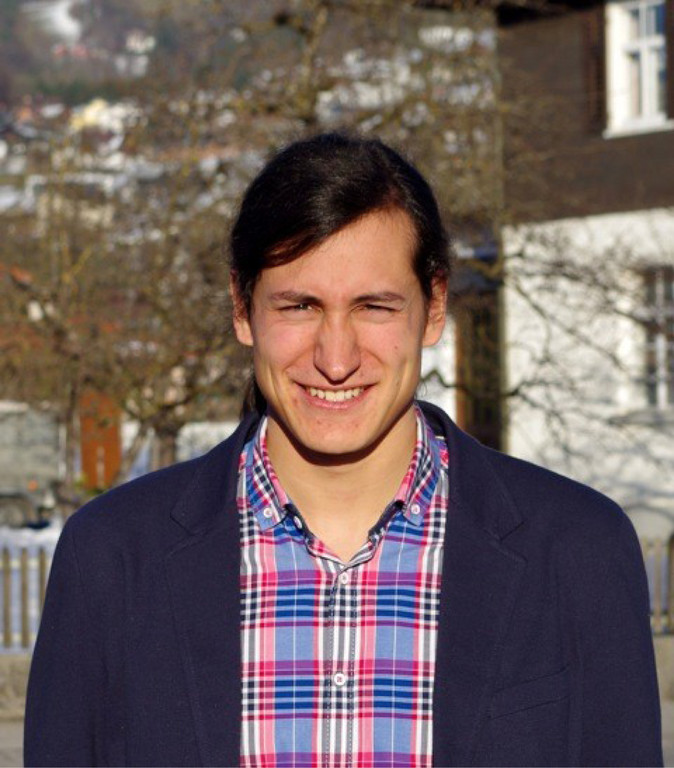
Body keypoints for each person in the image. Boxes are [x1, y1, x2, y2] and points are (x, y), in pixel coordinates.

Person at [24, 133, 662, 767]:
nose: (336, 359)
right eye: (299, 306)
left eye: (373, 307)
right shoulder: (111, 560)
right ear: (243, 309)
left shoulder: (578, 551)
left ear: (434, 306)